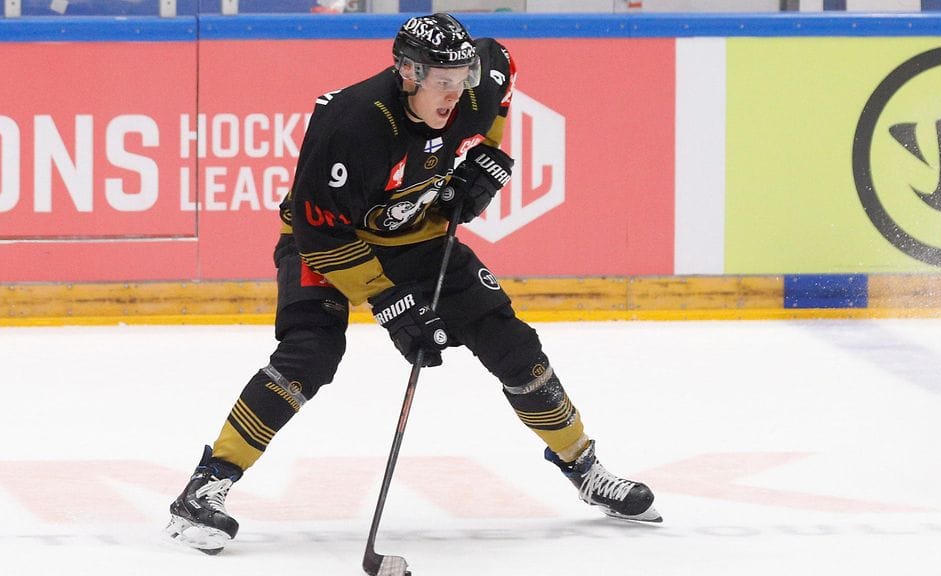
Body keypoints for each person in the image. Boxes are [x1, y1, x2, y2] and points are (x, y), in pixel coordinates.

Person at [165, 12, 661, 555]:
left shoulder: (478, 83)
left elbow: (499, 74)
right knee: (310, 354)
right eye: (443, 82)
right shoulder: (352, 124)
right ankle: (206, 484)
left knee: (514, 345)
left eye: (462, 78)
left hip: (416, 240)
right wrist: (391, 302)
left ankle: (584, 467)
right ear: (408, 72)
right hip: (327, 243)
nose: (455, 93)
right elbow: (318, 232)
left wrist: (482, 163)